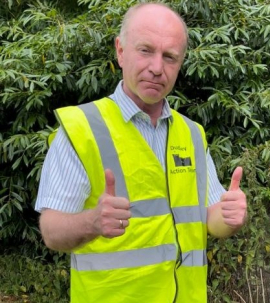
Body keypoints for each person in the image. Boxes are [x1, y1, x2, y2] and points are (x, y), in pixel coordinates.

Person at [35, 2, 247, 303]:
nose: (157, 68)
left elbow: (211, 219)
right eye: (145, 50)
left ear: (180, 63)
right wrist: (93, 222)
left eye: (169, 57)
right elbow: (52, 231)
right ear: (121, 51)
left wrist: (230, 217)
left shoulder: (192, 135)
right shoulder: (81, 129)